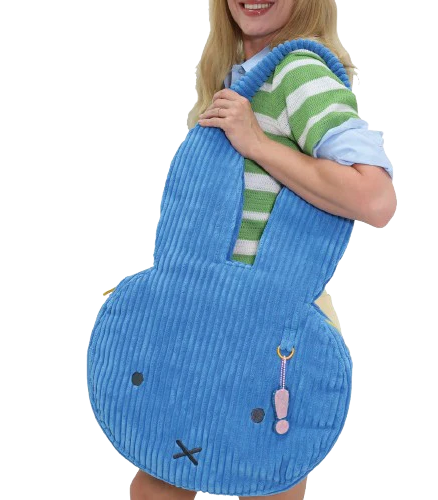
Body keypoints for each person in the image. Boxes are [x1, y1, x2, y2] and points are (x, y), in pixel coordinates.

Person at [130, 1, 397, 499]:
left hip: (265, 325)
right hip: (211, 319)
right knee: (177, 469)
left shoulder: (298, 73)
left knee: (232, 474)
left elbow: (376, 198)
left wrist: (257, 143)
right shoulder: (243, 78)